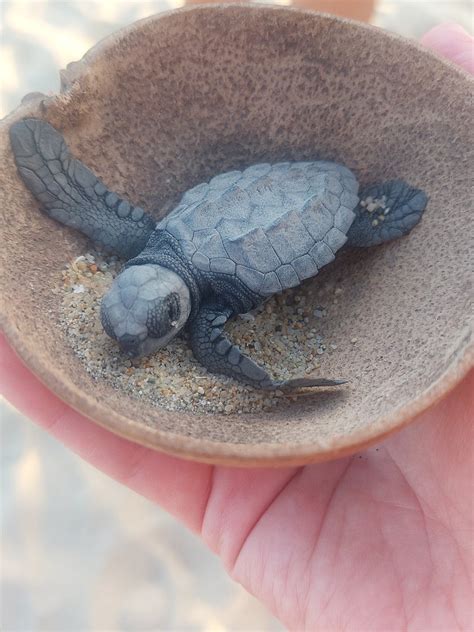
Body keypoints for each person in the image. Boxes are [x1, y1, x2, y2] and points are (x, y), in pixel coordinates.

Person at [1, 23, 472, 631]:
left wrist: (272, 388)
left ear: (177, 314)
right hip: (265, 198)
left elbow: (75, 189)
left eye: (150, 331)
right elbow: (70, 185)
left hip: (318, 208)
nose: (137, 342)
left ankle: (364, 216)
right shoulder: (149, 248)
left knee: (368, 227)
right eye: (134, 329)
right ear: (133, 273)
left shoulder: (203, 314)